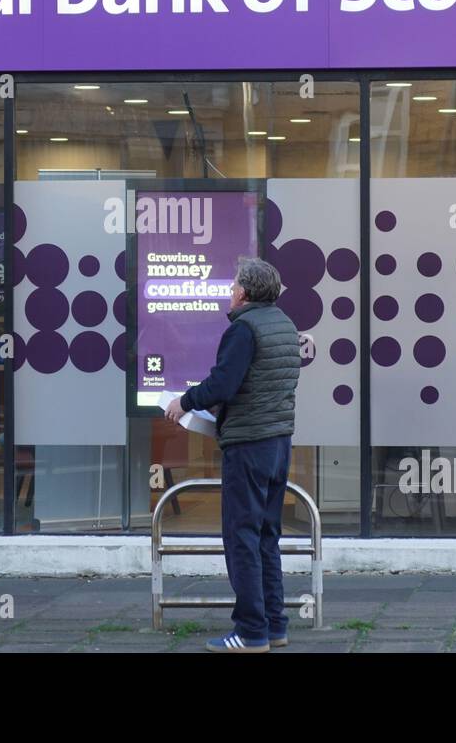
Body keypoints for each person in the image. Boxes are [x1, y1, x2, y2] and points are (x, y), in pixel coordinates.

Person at [165, 256, 299, 653]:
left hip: (249, 445)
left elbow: (224, 383)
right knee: (266, 536)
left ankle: (250, 632)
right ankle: (275, 625)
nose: (229, 290)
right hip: (278, 441)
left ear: (243, 291)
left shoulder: (244, 329)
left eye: (233, 285)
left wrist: (184, 402)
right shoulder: (285, 325)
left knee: (241, 537)